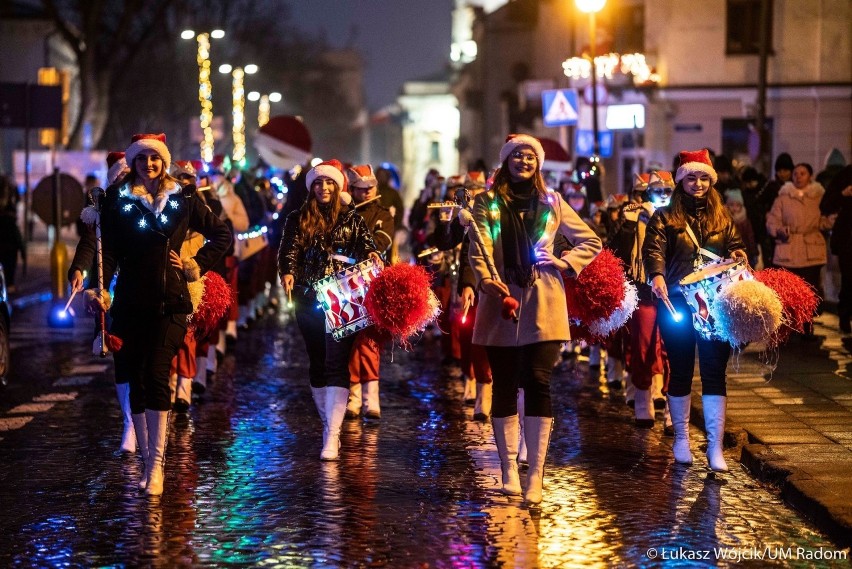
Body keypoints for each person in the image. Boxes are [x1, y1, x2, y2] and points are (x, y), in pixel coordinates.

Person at [89, 133, 231, 496]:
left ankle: (156, 467)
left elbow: (221, 233)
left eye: (155, 159)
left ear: (163, 161)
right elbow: (105, 251)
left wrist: (195, 264)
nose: (148, 165)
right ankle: (146, 459)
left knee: (156, 373)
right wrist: (99, 287)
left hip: (171, 302)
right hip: (130, 303)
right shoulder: (119, 201)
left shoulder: (183, 199)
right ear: (133, 163)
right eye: (141, 159)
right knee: (136, 379)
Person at [469, 134, 602, 505]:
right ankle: (509, 467)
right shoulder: (487, 202)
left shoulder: (552, 202)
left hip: (544, 297)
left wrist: (564, 262)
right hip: (501, 299)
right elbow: (477, 250)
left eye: (530, 156)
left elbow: (590, 241)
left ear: (538, 163)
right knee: (506, 383)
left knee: (539, 380)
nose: (524, 162)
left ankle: (537, 474)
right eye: (517, 156)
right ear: (507, 161)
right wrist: (486, 281)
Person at [643, 149, 747, 472]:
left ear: (711, 181)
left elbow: (734, 245)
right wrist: (657, 275)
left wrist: (739, 253)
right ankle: (682, 439)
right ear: (681, 181)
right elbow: (654, 249)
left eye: (704, 178)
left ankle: (715, 447)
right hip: (677, 302)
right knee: (682, 368)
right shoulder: (664, 217)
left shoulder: (722, 216)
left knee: (716, 370)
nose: (698, 184)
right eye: (691, 178)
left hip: (713, 303)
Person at [278, 160, 381, 460]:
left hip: (342, 297)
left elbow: (365, 243)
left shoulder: (352, 217)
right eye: (318, 183)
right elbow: (289, 248)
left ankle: (332, 435)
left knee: (337, 362)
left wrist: (372, 252)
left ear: (338, 187)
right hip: (308, 296)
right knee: (317, 360)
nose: (324, 188)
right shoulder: (297, 218)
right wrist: (288, 271)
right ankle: (326, 421)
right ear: (311, 187)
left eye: (329, 183)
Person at [68, 152, 133, 453]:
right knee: (122, 355)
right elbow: (91, 243)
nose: (124, 182)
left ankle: (153, 415)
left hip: (147, 289)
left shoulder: (153, 202)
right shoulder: (103, 209)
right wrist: (80, 270)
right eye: (118, 177)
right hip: (114, 292)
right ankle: (130, 422)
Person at [345, 164, 394, 420]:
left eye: (369, 189)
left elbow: (382, 241)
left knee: (369, 340)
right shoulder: (342, 212)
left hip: (371, 283)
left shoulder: (383, 214)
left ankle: (371, 399)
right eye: (360, 189)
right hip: (343, 284)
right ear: (351, 189)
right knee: (349, 342)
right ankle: (352, 399)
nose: (365, 193)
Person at [766, 163, 828, 324]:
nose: (798, 177)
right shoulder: (783, 198)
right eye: (795, 173)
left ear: (810, 176)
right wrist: (780, 231)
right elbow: (772, 221)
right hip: (789, 249)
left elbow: (825, 218)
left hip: (811, 250)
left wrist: (830, 222)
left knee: (810, 290)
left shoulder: (819, 197)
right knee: (788, 291)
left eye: (803, 173)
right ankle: (789, 325)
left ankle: (807, 325)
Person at [756, 153, 794, 268]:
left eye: (786, 170)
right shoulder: (771, 186)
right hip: (774, 230)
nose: (782, 173)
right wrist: (766, 213)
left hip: (791, 228)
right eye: (779, 170)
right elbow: (758, 203)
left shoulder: (795, 186)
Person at [0, 176, 25, 293]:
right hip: (9, 247)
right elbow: (17, 237)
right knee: (9, 263)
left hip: (7, 245)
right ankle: (9, 285)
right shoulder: (10, 220)